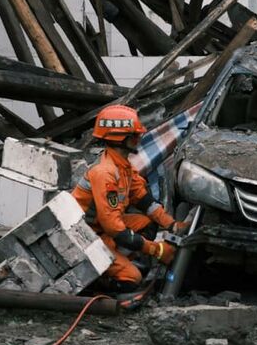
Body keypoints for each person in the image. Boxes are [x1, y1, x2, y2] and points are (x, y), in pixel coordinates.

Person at [72, 105, 185, 294]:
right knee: (132, 279)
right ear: (119, 138)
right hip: (86, 237)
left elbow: (142, 199)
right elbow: (114, 227)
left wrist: (172, 225)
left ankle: (117, 259)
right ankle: (97, 282)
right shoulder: (105, 173)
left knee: (146, 223)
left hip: (100, 229)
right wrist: (156, 250)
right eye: (134, 135)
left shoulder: (122, 166)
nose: (139, 138)